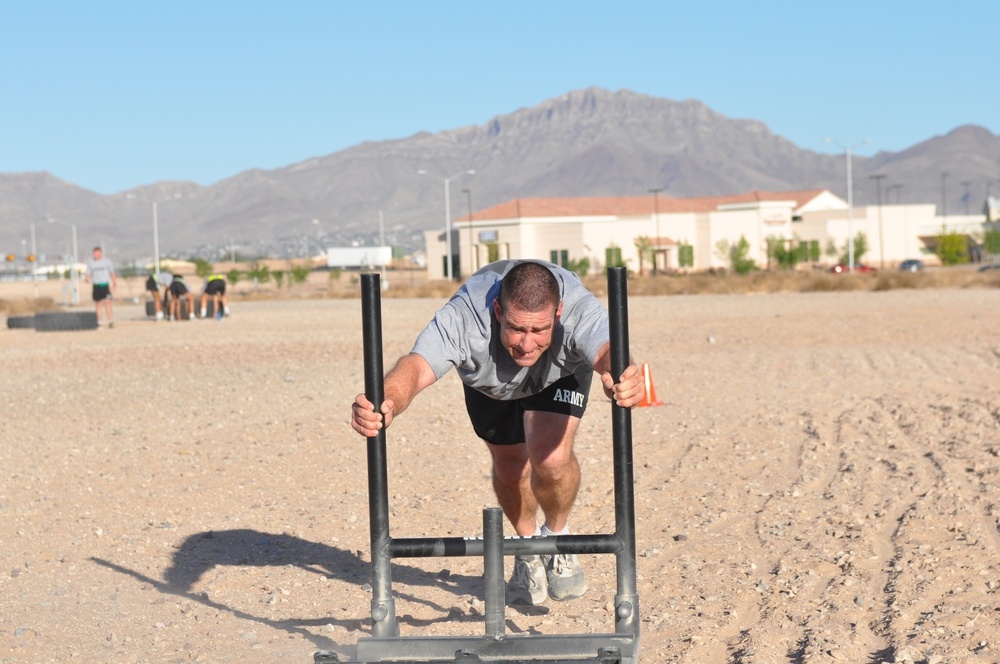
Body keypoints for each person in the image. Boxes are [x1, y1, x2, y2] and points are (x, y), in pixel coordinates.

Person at [351, 260, 643, 606]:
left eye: (539, 330)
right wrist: (387, 401)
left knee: (551, 457)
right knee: (509, 465)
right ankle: (527, 548)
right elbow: (415, 367)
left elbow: (609, 351)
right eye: (517, 328)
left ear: (559, 312)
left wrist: (623, 376)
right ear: (498, 310)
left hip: (560, 374)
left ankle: (557, 538)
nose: (527, 344)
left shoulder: (579, 309)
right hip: (490, 383)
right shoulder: (465, 318)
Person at [85, 246, 117, 328]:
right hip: (96, 285)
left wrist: (114, 283)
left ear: (100, 253)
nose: (95, 255)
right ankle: (99, 322)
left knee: (107, 302)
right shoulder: (91, 263)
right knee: (98, 304)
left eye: (97, 253)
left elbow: (112, 273)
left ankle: (110, 320)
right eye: (94, 253)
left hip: (105, 285)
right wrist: (87, 278)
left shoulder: (107, 262)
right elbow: (88, 273)